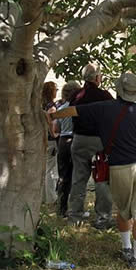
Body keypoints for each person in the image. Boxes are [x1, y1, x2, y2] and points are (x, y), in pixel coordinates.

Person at [51, 73, 136, 269]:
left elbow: (72, 110)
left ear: (118, 90)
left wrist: (51, 115)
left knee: (124, 210)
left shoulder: (103, 108)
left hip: (118, 166)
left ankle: (126, 247)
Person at [68, 63, 114, 228]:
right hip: (98, 141)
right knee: (101, 179)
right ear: (96, 78)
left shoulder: (76, 95)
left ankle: (74, 216)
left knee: (78, 178)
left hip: (79, 139)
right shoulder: (105, 96)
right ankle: (103, 218)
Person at [55, 81, 81, 218]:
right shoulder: (79, 109)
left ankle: (62, 206)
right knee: (77, 175)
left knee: (63, 174)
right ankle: (75, 207)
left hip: (63, 141)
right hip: (76, 139)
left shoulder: (61, 109)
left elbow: (55, 129)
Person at [42, 81, 59, 205]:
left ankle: (43, 196)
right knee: (50, 169)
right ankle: (50, 197)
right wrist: (55, 135)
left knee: (44, 168)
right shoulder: (51, 107)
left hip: (41, 139)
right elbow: (52, 125)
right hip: (50, 140)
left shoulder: (40, 105)